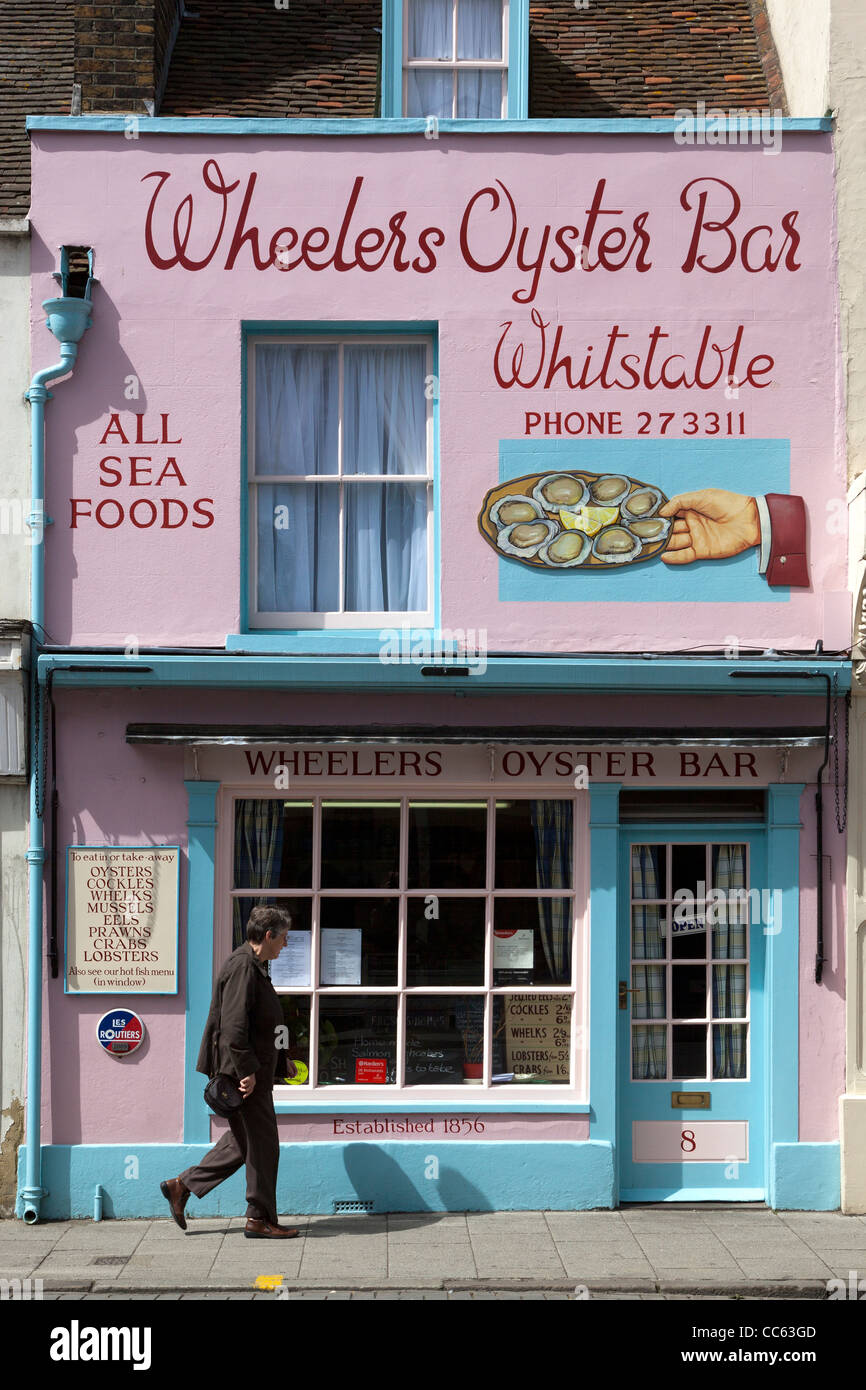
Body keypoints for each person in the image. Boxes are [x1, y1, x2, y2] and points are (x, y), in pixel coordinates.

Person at [160, 904, 300, 1238]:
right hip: (244, 1076)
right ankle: (258, 1218)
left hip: (254, 1070)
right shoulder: (244, 967)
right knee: (263, 1145)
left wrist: (281, 1059)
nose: (285, 945)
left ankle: (182, 1185)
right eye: (283, 938)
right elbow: (235, 1026)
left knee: (244, 1142)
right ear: (268, 935)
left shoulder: (256, 965)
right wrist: (247, 1072)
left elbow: (259, 1025)